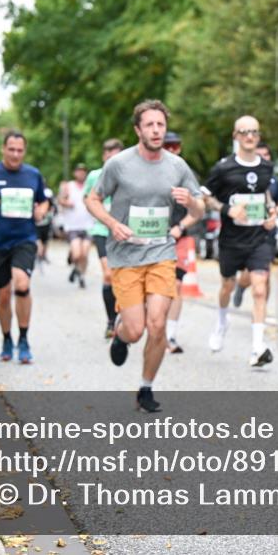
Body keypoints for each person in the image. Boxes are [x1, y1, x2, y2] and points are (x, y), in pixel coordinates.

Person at [86, 100, 204, 413]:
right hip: (125, 255)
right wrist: (111, 223)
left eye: (160, 125)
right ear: (138, 129)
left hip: (162, 252)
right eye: (149, 125)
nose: (156, 130)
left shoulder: (177, 166)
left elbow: (201, 208)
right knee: (136, 329)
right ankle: (121, 337)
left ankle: (146, 388)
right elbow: (93, 199)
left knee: (157, 324)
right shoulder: (119, 164)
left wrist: (191, 201)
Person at [0, 132, 50, 365]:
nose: (15, 154)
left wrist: (41, 210)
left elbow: (44, 199)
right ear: (3, 149)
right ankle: (7, 339)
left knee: (22, 285)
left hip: (24, 239)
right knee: (3, 296)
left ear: (24, 151)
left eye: (20, 150)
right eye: (11, 149)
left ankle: (23, 339)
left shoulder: (33, 174)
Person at [204, 116, 278, 367]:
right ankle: (222, 321)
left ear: (258, 136)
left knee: (260, 287)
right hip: (231, 240)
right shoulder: (223, 168)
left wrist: (271, 213)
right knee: (227, 286)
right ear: (235, 136)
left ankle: (258, 347)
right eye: (244, 132)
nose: (249, 136)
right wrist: (227, 209)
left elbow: (266, 195)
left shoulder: (266, 167)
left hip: (259, 238)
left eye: (254, 132)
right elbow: (206, 198)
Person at [232, 141, 278, 308]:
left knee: (265, 273)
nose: (263, 158)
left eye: (266, 155)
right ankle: (241, 285)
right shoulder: (245, 179)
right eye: (259, 155)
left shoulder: (275, 181)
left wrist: (275, 210)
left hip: (267, 235)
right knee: (250, 271)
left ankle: (262, 312)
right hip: (246, 234)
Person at [83, 138, 125, 338]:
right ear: (103, 157)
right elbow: (87, 200)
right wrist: (102, 215)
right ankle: (111, 321)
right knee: (108, 274)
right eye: (108, 157)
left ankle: (123, 316)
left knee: (123, 276)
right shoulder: (95, 176)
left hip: (124, 232)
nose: (112, 162)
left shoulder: (129, 175)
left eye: (116, 157)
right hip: (102, 230)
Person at [162, 131, 188, 353]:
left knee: (176, 286)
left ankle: (169, 336)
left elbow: (199, 207)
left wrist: (182, 226)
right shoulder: (147, 171)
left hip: (180, 237)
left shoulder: (187, 174)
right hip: (152, 239)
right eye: (167, 146)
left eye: (175, 146)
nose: (171, 150)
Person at [60, 163, 94, 289]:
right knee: (77, 254)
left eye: (83, 171)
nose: (81, 173)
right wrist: (66, 202)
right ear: (75, 173)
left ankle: (81, 275)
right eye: (79, 171)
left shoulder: (90, 186)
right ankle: (73, 258)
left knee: (84, 254)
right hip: (73, 225)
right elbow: (60, 200)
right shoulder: (69, 186)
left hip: (88, 224)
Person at [35, 187, 56, 271]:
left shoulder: (48, 193)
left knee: (46, 241)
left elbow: (53, 207)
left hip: (46, 224)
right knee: (38, 242)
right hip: (36, 225)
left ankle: (43, 255)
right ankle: (39, 256)